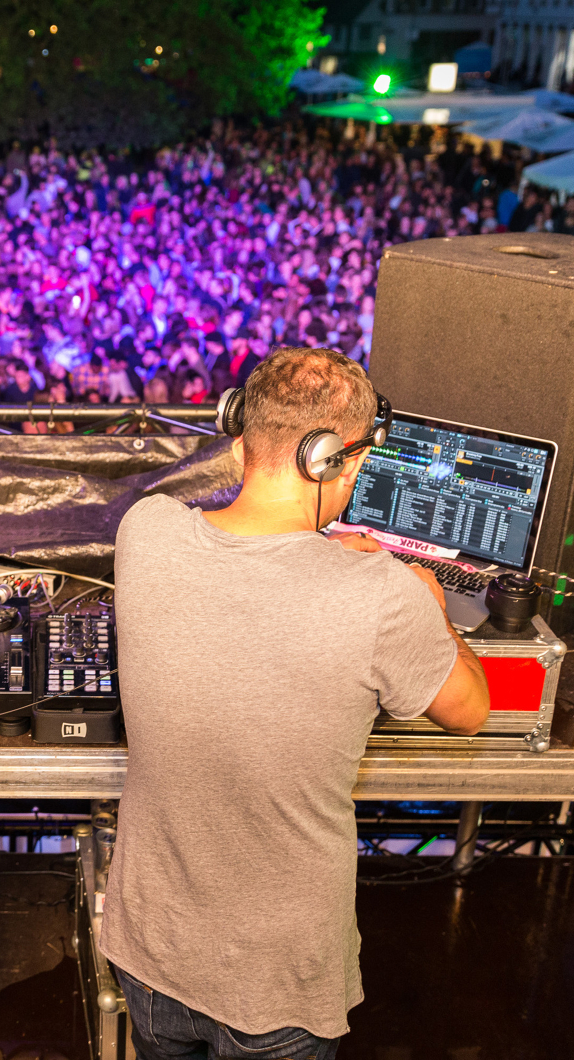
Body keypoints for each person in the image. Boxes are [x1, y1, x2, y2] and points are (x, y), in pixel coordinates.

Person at [100, 347, 489, 1060]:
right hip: (278, 980)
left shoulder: (144, 532)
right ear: (331, 458)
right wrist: (426, 601)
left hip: (150, 948)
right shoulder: (383, 597)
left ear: (238, 430)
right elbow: (471, 710)